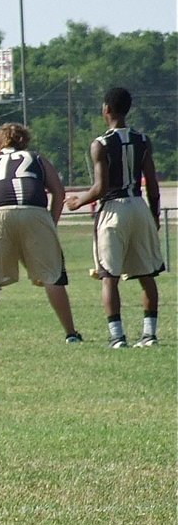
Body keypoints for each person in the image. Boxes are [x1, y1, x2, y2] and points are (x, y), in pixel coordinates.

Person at [0, 122, 83, 346]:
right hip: (35, 213)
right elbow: (58, 192)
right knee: (53, 274)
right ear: (24, 141)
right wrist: (51, 222)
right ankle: (70, 333)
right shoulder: (37, 159)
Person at [65, 87, 164, 348]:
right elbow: (152, 184)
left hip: (113, 208)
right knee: (146, 274)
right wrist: (154, 215)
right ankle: (149, 334)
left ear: (106, 109)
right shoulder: (143, 140)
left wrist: (78, 201)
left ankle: (118, 336)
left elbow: (100, 187)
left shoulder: (101, 143)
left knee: (108, 275)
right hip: (138, 205)